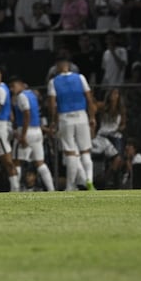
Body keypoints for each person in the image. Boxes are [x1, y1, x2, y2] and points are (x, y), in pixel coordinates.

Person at [48, 57, 98, 191]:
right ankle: (89, 179)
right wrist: (92, 117)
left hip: (65, 117)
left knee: (70, 153)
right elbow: (89, 99)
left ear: (58, 66)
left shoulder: (53, 82)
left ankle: (70, 185)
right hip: (81, 115)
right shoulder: (80, 78)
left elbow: (52, 105)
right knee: (85, 151)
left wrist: (53, 121)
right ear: (69, 66)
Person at [9, 76, 56, 191]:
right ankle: (52, 190)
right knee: (40, 163)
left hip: (26, 131)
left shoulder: (21, 97)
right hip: (37, 131)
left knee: (17, 161)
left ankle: (14, 191)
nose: (11, 89)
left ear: (21, 84)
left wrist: (23, 135)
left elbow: (27, 115)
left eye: (13, 86)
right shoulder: (32, 95)